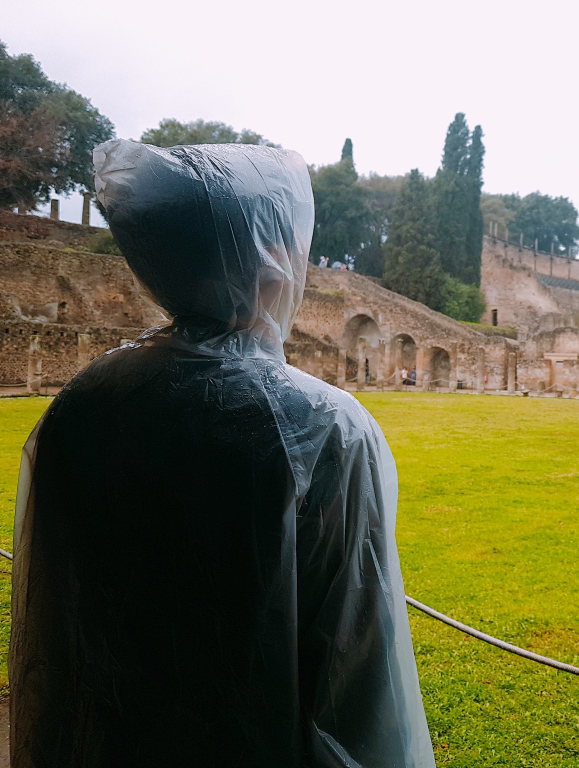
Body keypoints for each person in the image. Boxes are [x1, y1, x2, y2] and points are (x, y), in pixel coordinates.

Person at [11, 140, 435, 768]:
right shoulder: (323, 430)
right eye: (295, 240)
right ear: (269, 258)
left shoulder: (79, 409)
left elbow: (49, 650)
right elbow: (364, 695)